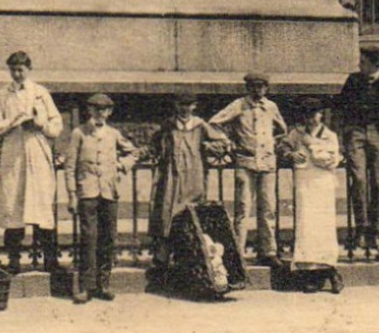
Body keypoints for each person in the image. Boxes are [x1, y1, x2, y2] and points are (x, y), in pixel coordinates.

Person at [0, 51, 63, 274]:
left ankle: (50, 260)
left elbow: (56, 125)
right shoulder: (4, 95)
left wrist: (40, 125)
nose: (17, 74)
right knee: (14, 207)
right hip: (14, 155)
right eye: (13, 70)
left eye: (21, 69)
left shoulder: (40, 93)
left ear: (29, 69)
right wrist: (11, 122)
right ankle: (14, 261)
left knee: (41, 207)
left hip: (37, 153)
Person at [209, 71, 288, 265]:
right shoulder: (239, 105)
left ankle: (268, 252)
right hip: (246, 162)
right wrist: (229, 142)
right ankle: (238, 252)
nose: (257, 90)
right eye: (253, 86)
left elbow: (282, 130)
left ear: (266, 88)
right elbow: (214, 123)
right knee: (243, 209)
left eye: (261, 86)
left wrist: (271, 144)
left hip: (267, 163)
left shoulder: (271, 107)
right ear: (247, 87)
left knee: (268, 208)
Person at [65, 93, 136, 303]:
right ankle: (86, 287)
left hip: (109, 192)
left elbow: (133, 152)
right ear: (89, 111)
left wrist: (122, 166)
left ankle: (104, 284)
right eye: (95, 109)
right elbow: (69, 167)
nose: (99, 113)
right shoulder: (79, 133)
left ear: (109, 112)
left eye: (104, 110)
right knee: (89, 239)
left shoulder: (113, 134)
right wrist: (71, 195)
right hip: (87, 193)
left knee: (108, 239)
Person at [147, 94, 230, 270]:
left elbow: (222, 143)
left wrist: (209, 147)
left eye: (188, 105)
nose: (185, 108)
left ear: (194, 106)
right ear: (176, 106)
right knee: (168, 213)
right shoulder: (168, 126)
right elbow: (155, 145)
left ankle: (190, 255)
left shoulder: (201, 126)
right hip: (173, 176)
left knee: (193, 213)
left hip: (194, 175)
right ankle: (163, 255)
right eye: (181, 104)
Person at [335, 46, 379, 252]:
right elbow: (341, 108)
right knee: (359, 180)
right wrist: (342, 136)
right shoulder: (353, 81)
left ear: (376, 64)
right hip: (356, 133)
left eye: (363, 62)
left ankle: (377, 230)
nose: (359, 65)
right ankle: (361, 229)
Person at [284, 106, 343, 289]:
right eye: (307, 115)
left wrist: (311, 146)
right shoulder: (296, 133)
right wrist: (290, 153)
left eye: (314, 114)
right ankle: (310, 275)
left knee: (324, 227)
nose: (311, 119)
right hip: (304, 183)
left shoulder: (330, 135)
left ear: (321, 115)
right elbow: (284, 145)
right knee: (307, 226)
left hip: (323, 184)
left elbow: (330, 160)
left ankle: (330, 271)